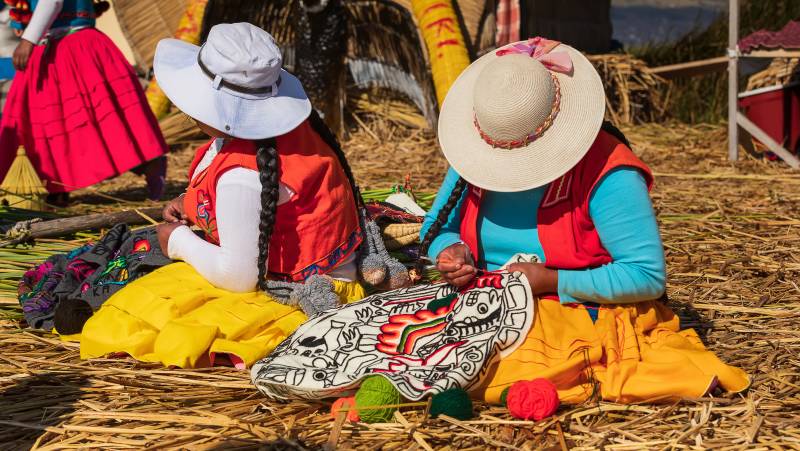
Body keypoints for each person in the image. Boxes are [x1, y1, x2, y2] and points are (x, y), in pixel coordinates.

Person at [418, 37, 749, 404]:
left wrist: (550, 281)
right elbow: (437, 225)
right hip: (482, 303)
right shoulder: (481, 152)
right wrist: (450, 252)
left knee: (507, 371)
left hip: (574, 308)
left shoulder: (609, 173)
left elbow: (645, 276)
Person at [75, 23, 367, 368]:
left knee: (140, 318)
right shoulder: (293, 131)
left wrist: (178, 241)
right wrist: (188, 204)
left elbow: (239, 276)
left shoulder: (242, 176)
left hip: (298, 290)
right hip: (327, 271)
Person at [0, 0, 167, 204]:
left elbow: (52, 2)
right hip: (69, 45)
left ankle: (148, 165)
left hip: (72, 47)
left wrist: (28, 41)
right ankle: (55, 189)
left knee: (63, 122)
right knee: (56, 123)